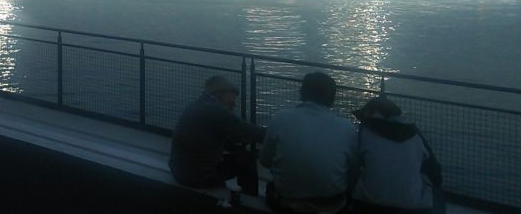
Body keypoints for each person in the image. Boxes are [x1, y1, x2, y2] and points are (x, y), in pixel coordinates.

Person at [259, 72, 358, 214]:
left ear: (302, 93)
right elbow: (352, 173)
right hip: (331, 207)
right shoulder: (347, 128)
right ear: (332, 98)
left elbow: (264, 161)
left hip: (286, 204)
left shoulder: (280, 118)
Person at [170, 75, 266, 193]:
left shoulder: (196, 104)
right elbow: (248, 131)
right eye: (232, 99)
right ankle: (249, 199)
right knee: (247, 159)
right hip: (198, 177)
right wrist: (275, 134)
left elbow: (213, 135)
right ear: (222, 94)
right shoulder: (217, 111)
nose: (234, 104)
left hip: (178, 170)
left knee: (237, 153)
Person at [352, 97, 443, 214]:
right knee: (438, 194)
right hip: (413, 209)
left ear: (373, 113)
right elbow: (435, 173)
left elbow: (353, 164)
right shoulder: (414, 136)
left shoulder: (364, 132)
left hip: (367, 205)